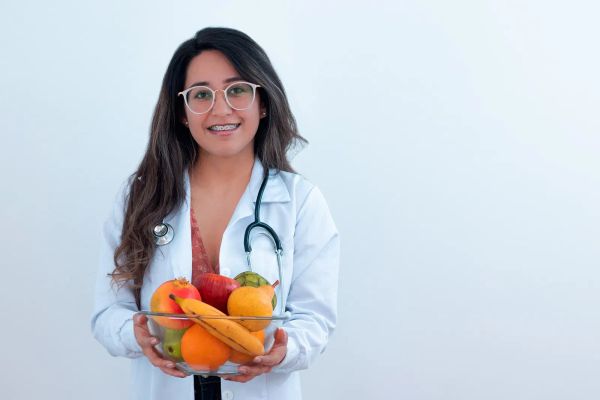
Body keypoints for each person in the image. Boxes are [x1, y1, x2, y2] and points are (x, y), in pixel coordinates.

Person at [91, 27, 340, 400]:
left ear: (264, 102)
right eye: (201, 94)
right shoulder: (141, 195)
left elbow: (316, 320)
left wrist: (283, 350)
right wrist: (137, 333)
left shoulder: (300, 201)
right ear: (182, 113)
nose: (220, 109)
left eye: (237, 90)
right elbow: (108, 312)